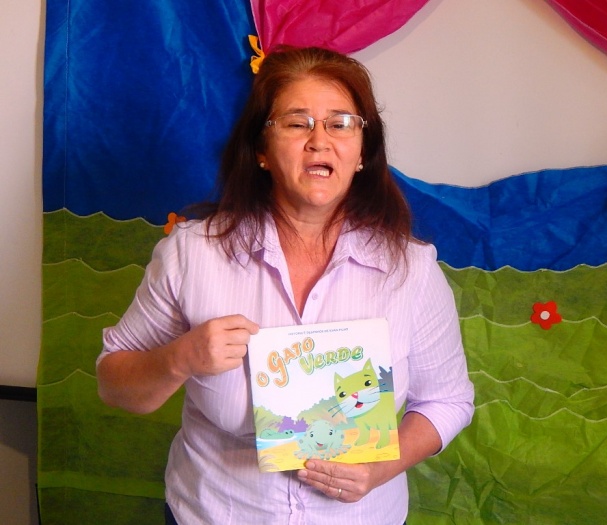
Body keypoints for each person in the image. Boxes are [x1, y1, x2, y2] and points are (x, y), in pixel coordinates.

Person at [97, 45, 474, 525]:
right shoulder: (192, 254)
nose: (319, 141)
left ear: (362, 151)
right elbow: (114, 383)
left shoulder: (411, 269)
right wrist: (180, 358)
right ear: (261, 150)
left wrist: (381, 468)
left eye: (341, 124)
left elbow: (448, 400)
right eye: (297, 123)